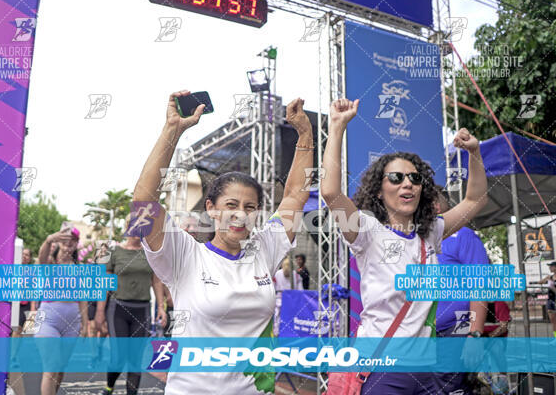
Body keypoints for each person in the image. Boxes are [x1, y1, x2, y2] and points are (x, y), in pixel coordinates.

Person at [134, 90, 313, 394]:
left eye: (250, 207)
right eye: (231, 205)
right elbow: (144, 202)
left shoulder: (263, 249)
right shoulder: (186, 256)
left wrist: (305, 132)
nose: (240, 215)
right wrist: (172, 132)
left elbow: (295, 195)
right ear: (211, 208)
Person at [321, 97, 488, 394]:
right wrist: (336, 126)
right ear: (380, 190)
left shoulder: (431, 233)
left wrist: (474, 152)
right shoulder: (367, 231)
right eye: (396, 178)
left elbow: (475, 200)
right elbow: (332, 192)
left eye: (414, 178)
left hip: (427, 370)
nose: (407, 184)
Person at [433, 186, 489, 394]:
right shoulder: (419, 239)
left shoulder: (463, 235)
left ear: (436, 205)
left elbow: (480, 286)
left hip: (455, 331)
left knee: (450, 389)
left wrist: (475, 335)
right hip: (423, 334)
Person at [94, 231, 160, 395]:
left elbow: (156, 280)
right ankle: (109, 386)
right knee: (119, 356)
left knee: (135, 358)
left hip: (142, 310)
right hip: (118, 309)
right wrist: (100, 312)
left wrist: (161, 308)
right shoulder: (114, 252)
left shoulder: (150, 253)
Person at [35, 227, 88, 395]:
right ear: (60, 240)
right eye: (65, 238)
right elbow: (41, 256)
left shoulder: (79, 268)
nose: (69, 242)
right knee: (50, 368)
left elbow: (83, 298)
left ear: (77, 244)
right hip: (48, 319)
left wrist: (85, 324)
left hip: (72, 322)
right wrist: (49, 239)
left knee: (60, 368)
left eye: (73, 239)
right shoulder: (50, 263)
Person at [531, 261, 556, 338]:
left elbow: (553, 288)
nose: (549, 268)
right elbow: (540, 282)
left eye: (551, 266)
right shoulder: (549, 277)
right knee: (553, 321)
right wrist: (533, 282)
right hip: (550, 300)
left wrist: (552, 286)